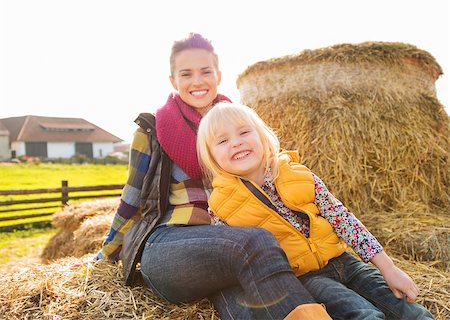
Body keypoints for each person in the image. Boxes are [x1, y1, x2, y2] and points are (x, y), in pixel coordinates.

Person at [97, 33, 332, 319]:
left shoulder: (238, 127)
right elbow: (132, 198)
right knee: (254, 243)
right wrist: (106, 254)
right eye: (186, 74)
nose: (197, 81)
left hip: (227, 241)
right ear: (173, 81)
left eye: (205, 71)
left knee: (246, 290)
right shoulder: (153, 131)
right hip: (169, 245)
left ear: (218, 75)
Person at [196, 102, 434, 320]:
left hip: (345, 262)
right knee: (365, 315)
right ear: (212, 157)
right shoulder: (221, 206)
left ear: (262, 136)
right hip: (307, 279)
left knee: (412, 313)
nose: (236, 142)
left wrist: (388, 268)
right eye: (222, 140)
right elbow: (238, 264)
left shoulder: (298, 174)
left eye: (244, 132)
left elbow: (342, 220)